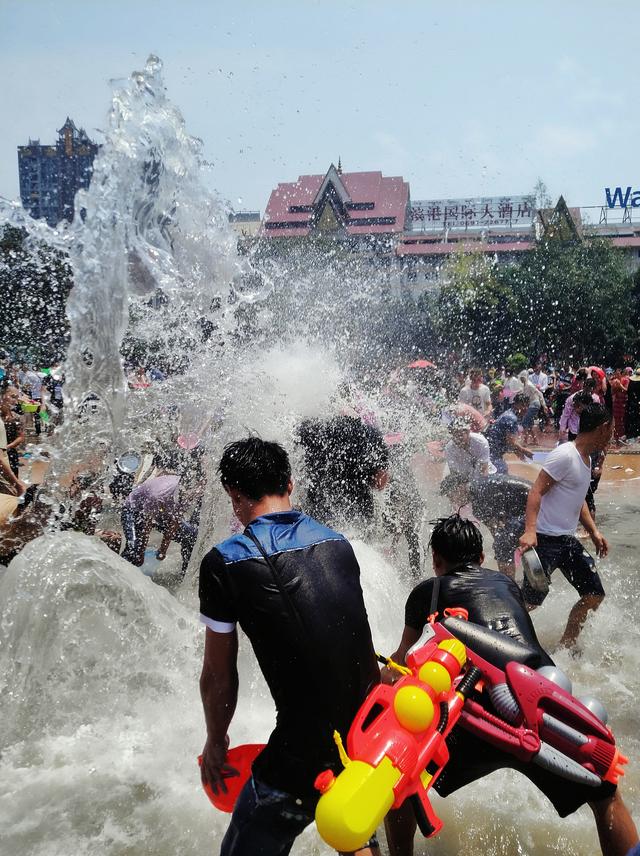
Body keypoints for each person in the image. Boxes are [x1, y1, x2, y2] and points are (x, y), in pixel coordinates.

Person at [384, 515, 638, 856]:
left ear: (436, 560)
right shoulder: (507, 585)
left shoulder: (426, 592)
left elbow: (402, 663)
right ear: (481, 558)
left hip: (474, 716)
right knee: (605, 793)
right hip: (540, 704)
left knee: (399, 779)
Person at [198, 437, 381, 856]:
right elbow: (358, 646)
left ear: (235, 495)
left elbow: (218, 675)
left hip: (301, 750)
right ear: (290, 484)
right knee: (351, 833)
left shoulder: (225, 562)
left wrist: (216, 740)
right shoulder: (338, 543)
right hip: (364, 733)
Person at [519, 404, 612, 648]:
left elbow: (578, 498)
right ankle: (495, 631)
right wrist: (530, 530)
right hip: (544, 539)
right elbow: (536, 491)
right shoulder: (565, 455)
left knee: (594, 594)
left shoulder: (586, 459)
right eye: (611, 430)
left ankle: (567, 645)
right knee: (530, 602)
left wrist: (593, 531)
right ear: (603, 428)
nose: (612, 436)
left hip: (567, 541)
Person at [295, 414, 389, 530]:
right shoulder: (370, 435)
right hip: (358, 518)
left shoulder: (310, 429)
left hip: (317, 519)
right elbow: (380, 483)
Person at [440, 472, 531, 578]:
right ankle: (507, 579)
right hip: (524, 508)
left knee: (503, 541)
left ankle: (508, 583)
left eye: (451, 496)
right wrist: (501, 548)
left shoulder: (481, 491)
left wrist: (503, 546)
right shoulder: (477, 504)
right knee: (502, 542)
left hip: (536, 504)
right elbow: (495, 529)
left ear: (460, 487)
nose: (453, 501)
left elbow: (500, 534)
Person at [485, 393, 533, 474]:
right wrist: (523, 450)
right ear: (516, 404)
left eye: (527, 406)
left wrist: (517, 451)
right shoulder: (511, 418)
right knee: (501, 472)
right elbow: (510, 441)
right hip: (492, 453)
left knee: (502, 470)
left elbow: (508, 440)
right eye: (523, 405)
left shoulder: (510, 413)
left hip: (493, 451)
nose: (525, 408)